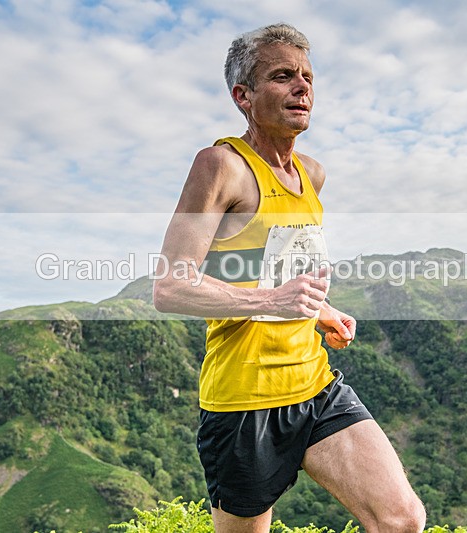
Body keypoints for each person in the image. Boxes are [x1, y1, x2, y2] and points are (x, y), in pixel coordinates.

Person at [153, 23, 426, 533]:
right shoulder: (221, 167)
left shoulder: (313, 175)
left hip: (315, 385)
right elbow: (170, 287)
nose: (302, 87)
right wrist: (274, 300)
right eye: (282, 76)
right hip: (244, 404)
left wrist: (319, 310)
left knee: (401, 519)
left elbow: (280, 270)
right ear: (243, 96)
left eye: (307, 76)